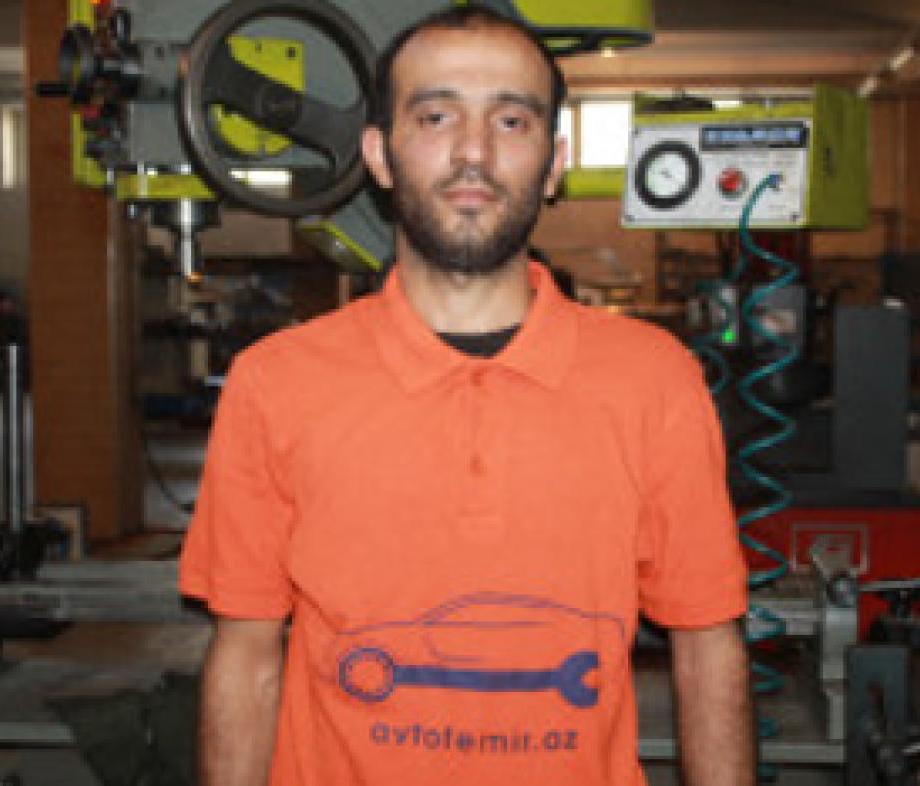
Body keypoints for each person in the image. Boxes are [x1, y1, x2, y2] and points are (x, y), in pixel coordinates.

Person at [179, 7, 753, 786]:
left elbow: (708, 645)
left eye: (512, 121)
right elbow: (246, 653)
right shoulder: (275, 383)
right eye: (436, 117)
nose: (474, 152)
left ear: (553, 162)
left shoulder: (654, 380)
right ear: (379, 155)